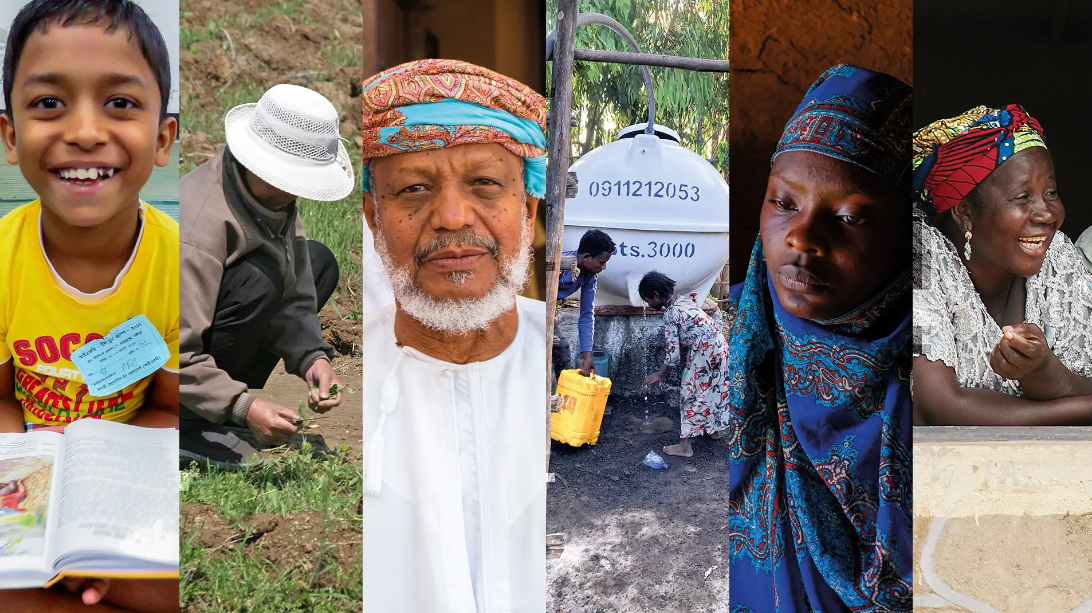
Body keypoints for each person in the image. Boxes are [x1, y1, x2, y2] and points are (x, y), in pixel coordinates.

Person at [0, 1, 180, 610]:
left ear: (162, 139)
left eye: (120, 102)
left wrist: (98, 489)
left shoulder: (177, 266)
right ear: (9, 134)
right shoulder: (3, 258)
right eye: (48, 103)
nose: (83, 130)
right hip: (27, 472)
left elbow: (168, 410)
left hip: (125, 484)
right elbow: (1, 398)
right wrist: (28, 472)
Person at [360, 59, 547, 612]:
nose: (449, 216)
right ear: (374, 219)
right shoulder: (348, 380)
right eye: (413, 189)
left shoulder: (567, 366)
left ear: (528, 209)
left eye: (485, 184)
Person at [727, 64, 913, 612]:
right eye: (784, 202)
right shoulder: (731, 326)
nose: (803, 237)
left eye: (851, 218)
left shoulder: (945, 359)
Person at [178, 84, 352, 469]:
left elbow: (295, 289)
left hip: (192, 350)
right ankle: (185, 423)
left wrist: (312, 358)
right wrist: (243, 406)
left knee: (317, 261)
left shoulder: (269, 198)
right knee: (259, 278)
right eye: (289, 179)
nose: (295, 193)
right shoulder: (196, 229)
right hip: (151, 371)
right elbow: (169, 349)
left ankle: (213, 408)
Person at [913, 105, 1092, 425]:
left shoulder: (1058, 260)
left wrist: (1042, 371)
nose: (1047, 214)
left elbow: (1084, 384)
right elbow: (938, 407)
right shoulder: (918, 256)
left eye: (1050, 192)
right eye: (1022, 198)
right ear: (965, 210)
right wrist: (1082, 409)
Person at [639, 272, 728, 457]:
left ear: (656, 295)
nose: (648, 305)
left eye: (647, 300)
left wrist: (659, 374)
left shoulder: (671, 313)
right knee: (713, 388)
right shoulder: (683, 301)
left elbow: (673, 354)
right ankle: (713, 430)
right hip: (720, 345)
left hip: (704, 350)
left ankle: (685, 447)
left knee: (689, 393)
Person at [556, 229, 614, 377]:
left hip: (549, 314)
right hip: (535, 305)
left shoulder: (590, 277)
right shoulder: (558, 264)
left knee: (562, 349)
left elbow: (587, 314)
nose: (604, 267)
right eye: (602, 262)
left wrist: (586, 355)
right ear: (587, 257)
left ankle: (563, 392)